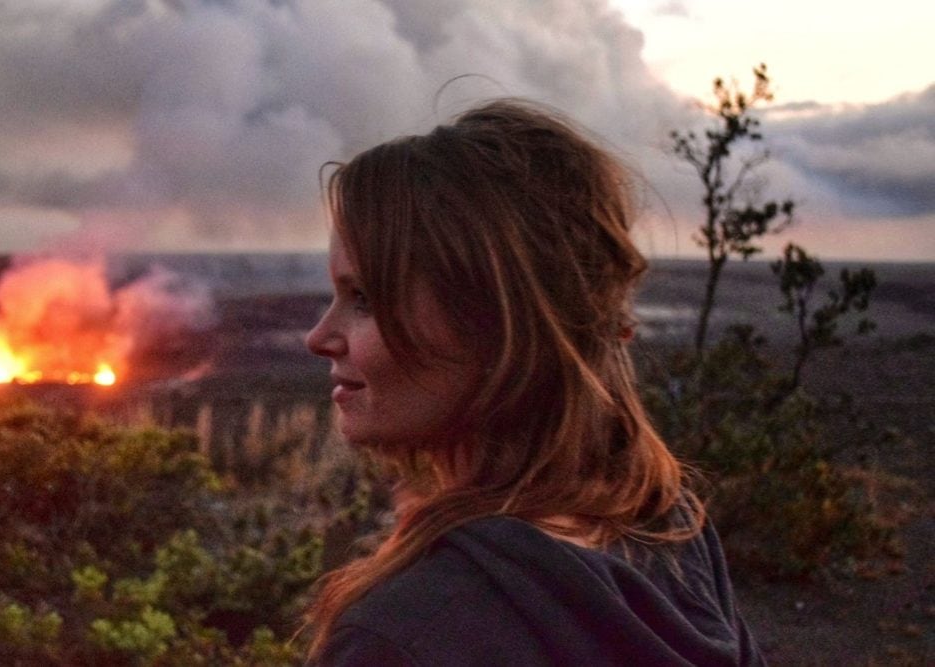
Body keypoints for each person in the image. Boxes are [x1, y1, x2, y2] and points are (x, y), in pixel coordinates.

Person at [304, 99, 764, 666]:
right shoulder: (671, 533)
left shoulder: (410, 634)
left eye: (364, 299)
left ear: (498, 323)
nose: (319, 336)